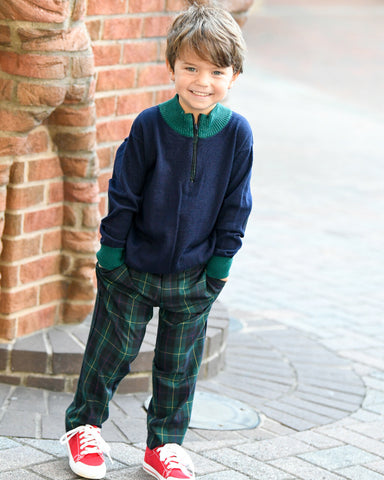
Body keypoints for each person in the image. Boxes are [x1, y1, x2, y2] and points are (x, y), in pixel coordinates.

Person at [60, 2, 253, 479]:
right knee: (110, 354)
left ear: (234, 76)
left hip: (194, 275)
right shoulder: (150, 124)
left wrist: (220, 268)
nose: (201, 81)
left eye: (215, 71)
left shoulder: (237, 135)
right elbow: (123, 192)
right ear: (171, 67)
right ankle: (83, 428)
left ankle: (163, 446)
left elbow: (236, 204)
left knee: (178, 366)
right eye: (190, 67)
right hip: (132, 270)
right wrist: (110, 257)